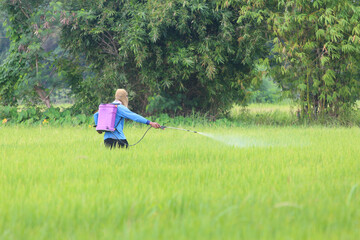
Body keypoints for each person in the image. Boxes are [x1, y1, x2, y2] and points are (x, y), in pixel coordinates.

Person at [94, 89, 161, 149]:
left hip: (107, 139)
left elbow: (96, 115)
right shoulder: (120, 107)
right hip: (119, 139)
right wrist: (150, 123)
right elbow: (135, 117)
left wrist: (98, 127)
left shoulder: (107, 106)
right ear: (124, 97)